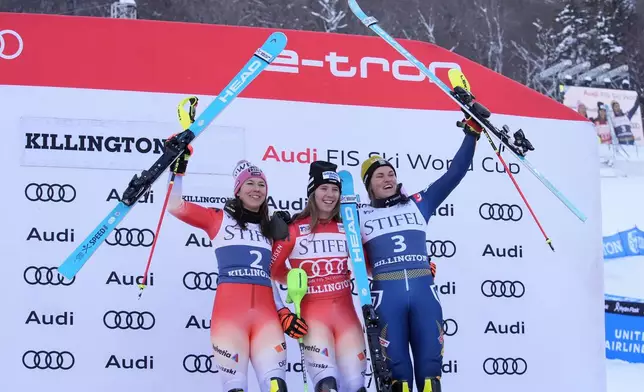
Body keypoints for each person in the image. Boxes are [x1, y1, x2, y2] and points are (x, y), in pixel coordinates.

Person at [166, 116, 303, 391]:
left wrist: (284, 312)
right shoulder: (218, 219)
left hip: (266, 320)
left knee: (277, 386)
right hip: (230, 319)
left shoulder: (269, 229)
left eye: (261, 185)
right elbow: (175, 206)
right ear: (238, 191)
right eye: (250, 184)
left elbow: (268, 279)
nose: (256, 189)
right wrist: (177, 171)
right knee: (235, 387)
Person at [357, 112, 482, 392]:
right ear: (369, 185)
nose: (388, 178)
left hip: (424, 292)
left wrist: (471, 134)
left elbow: (454, 173)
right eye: (380, 176)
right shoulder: (357, 215)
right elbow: (322, 217)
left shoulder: (418, 203)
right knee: (398, 379)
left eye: (391, 173)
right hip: (386, 298)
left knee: (430, 376)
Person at [270, 161, 368, 392]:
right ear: (312, 192)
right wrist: (295, 281)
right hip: (313, 319)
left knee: (356, 386)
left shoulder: (349, 228)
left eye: (335, 189)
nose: (330, 195)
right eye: (324, 188)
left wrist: (419, 268)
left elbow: (367, 268)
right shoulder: (292, 229)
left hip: (347, 317)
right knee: (327, 385)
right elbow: (272, 270)